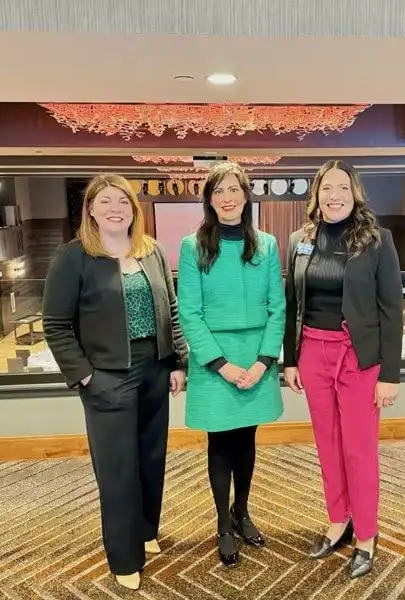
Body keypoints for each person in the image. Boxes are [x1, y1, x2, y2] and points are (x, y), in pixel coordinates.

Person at [43, 174, 188, 591]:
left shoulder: (152, 250)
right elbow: (55, 325)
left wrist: (178, 361)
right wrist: (86, 374)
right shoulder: (73, 258)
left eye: (122, 201)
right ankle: (124, 556)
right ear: (90, 209)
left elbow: (171, 310)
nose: (115, 208)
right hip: (107, 374)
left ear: (133, 209)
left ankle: (145, 531)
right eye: (105, 201)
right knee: (118, 467)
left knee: (151, 457)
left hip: (155, 367)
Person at [283, 160, 403, 579]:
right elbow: (293, 304)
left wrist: (390, 374)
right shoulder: (300, 240)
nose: (335, 196)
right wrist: (291, 360)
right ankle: (339, 522)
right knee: (327, 443)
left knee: (358, 446)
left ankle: (366, 533)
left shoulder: (377, 240)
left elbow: (392, 310)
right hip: (313, 352)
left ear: (355, 194)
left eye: (343, 189)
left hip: (358, 356)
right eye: (327, 189)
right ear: (315, 194)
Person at [177, 162, 285, 569]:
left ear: (246, 195)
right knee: (221, 443)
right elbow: (189, 311)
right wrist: (220, 363)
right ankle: (223, 523)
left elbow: (278, 307)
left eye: (234, 190)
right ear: (209, 199)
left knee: (247, 441)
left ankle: (242, 511)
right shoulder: (193, 246)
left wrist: (262, 361)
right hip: (214, 361)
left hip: (257, 356)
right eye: (218, 191)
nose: (227, 198)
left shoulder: (268, 245)